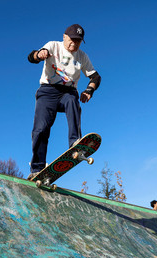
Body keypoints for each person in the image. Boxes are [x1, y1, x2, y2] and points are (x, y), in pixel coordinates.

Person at [26, 24, 101, 180]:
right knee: (41, 129)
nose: (74, 44)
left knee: (72, 101)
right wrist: (40, 54)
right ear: (64, 37)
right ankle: (37, 167)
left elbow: (95, 77)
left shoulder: (82, 56)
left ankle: (75, 143)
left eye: (78, 41)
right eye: (72, 40)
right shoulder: (53, 46)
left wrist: (89, 91)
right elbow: (31, 57)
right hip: (48, 91)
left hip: (68, 92)